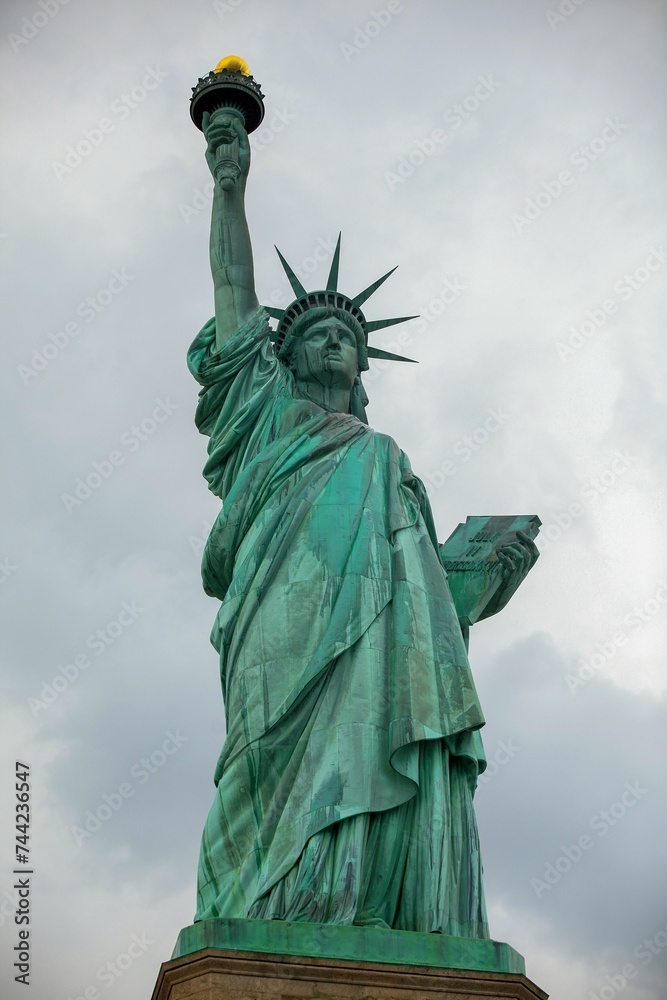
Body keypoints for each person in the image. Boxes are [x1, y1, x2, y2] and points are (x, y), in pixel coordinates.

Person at [188, 109, 538, 935]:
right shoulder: (265, 417)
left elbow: (426, 614)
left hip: (380, 658)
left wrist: (479, 581)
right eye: (315, 333)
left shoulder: (388, 463)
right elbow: (234, 295)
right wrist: (229, 184)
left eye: (348, 335)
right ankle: (261, 913)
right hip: (280, 622)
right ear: (285, 355)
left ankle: (362, 908)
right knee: (261, 764)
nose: (334, 344)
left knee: (373, 741)